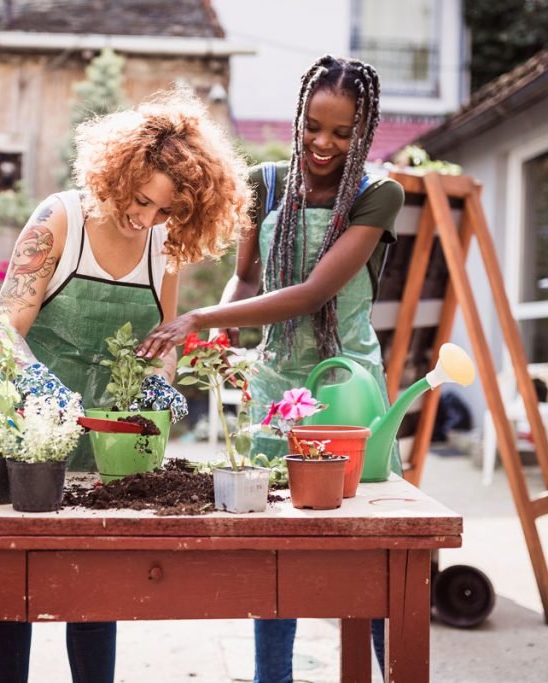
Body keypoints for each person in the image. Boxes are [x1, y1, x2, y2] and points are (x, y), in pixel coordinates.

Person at [135, 55, 403, 683]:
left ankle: (393, 671)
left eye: (343, 132)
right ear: (300, 116)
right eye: (315, 125)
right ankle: (271, 677)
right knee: (273, 540)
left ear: (364, 130)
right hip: (275, 381)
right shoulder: (267, 182)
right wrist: (221, 330)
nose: (324, 144)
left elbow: (313, 293)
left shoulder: (378, 193)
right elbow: (249, 275)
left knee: (368, 545)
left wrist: (198, 317)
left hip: (346, 387)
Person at [0, 88, 251, 683]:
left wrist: (159, 389)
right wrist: (36, 382)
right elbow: (2, 329)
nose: (147, 219)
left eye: (165, 211)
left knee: (91, 590)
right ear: (117, 172)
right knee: (12, 591)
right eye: (141, 201)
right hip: (30, 432)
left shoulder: (163, 245)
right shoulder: (60, 220)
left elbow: (163, 341)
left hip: (107, 441)